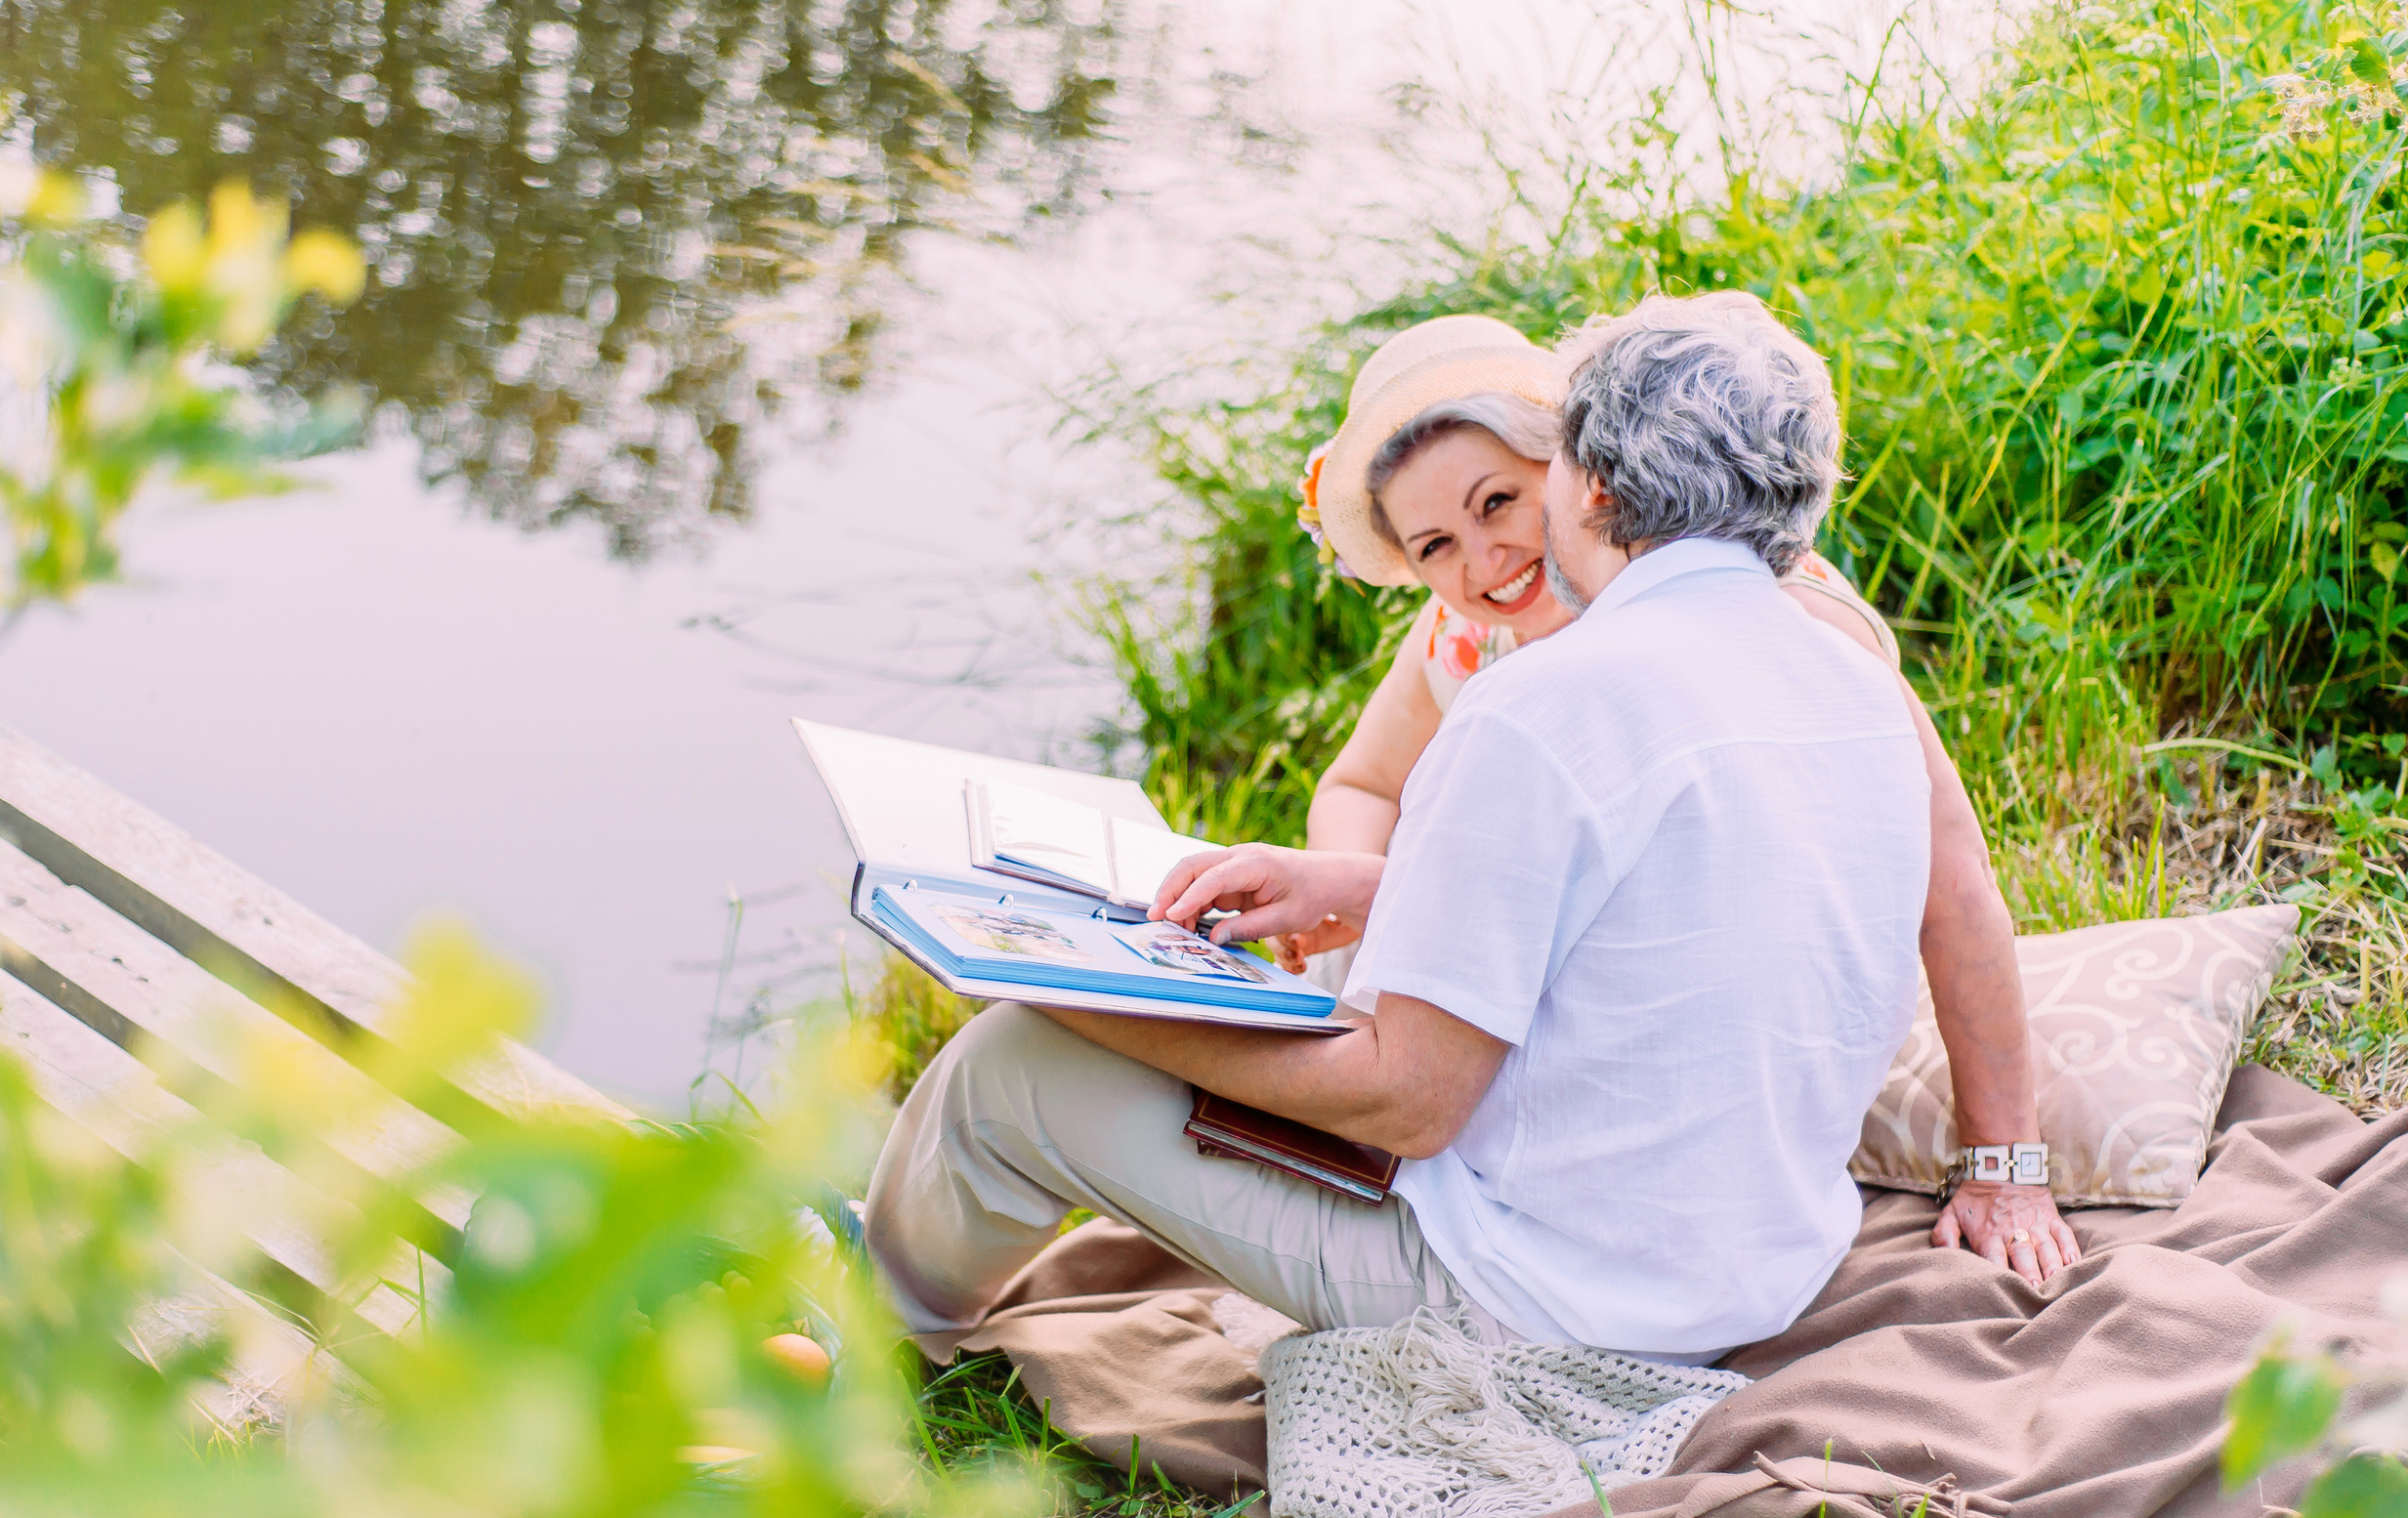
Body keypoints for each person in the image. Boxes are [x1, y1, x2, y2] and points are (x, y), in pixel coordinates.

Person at [866, 292, 1956, 1362]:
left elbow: (1407, 1102)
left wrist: (1062, 983)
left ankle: (867, 1339)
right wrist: (1355, 889)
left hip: (1550, 1295)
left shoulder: (1541, 705)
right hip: (1763, 1261)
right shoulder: (1851, 678)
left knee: (1009, 1064)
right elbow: (1656, 904)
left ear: (1587, 482)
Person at [1276, 314, 2074, 1277]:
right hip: (1528, 991)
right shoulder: (1461, 642)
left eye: (1500, 502)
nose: (1482, 561)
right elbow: (1361, 779)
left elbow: (1952, 885)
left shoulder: (1781, 613)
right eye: (1436, 544)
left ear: (1582, 473)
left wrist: (2004, 1165)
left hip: (1700, 1038)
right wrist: (1371, 881)